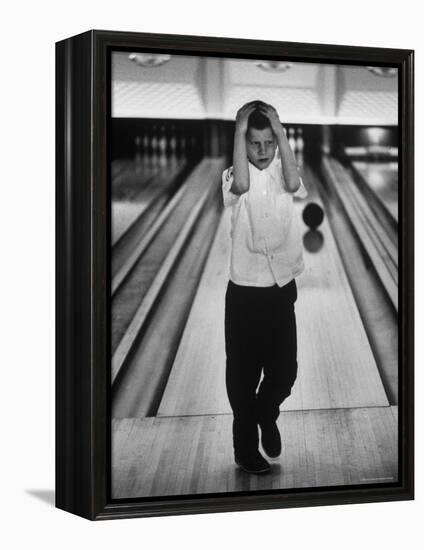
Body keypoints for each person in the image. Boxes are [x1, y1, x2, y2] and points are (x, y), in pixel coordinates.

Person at [222, 100, 307, 474]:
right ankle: (246, 450)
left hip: (280, 287)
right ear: (244, 143)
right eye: (254, 143)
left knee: (285, 370)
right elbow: (242, 183)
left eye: (267, 143)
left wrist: (280, 131)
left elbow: (293, 182)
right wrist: (240, 129)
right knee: (243, 375)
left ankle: (265, 414)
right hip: (244, 293)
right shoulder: (231, 176)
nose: (262, 151)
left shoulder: (283, 174)